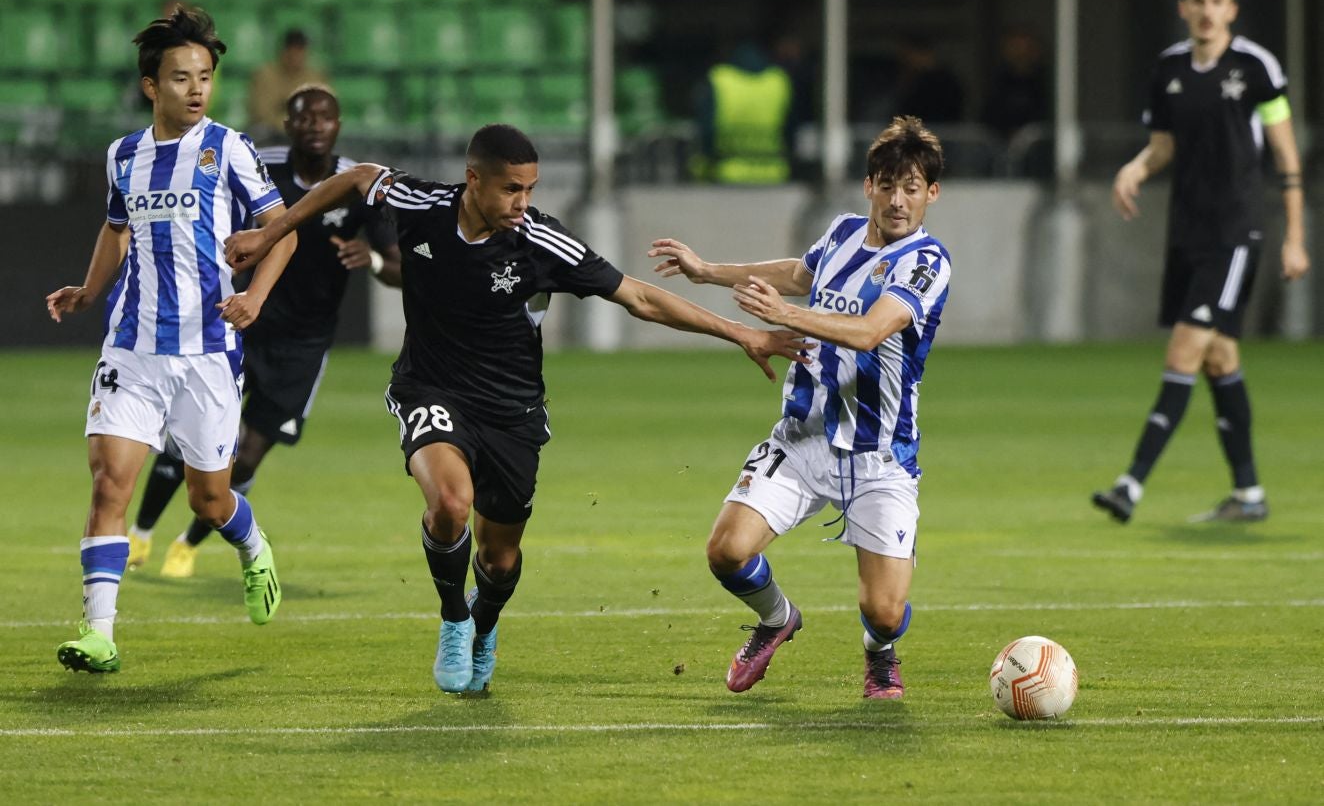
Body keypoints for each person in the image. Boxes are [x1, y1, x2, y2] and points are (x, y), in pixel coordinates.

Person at [223, 123, 810, 694]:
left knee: (499, 558)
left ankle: (483, 622)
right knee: (450, 503)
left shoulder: (541, 240)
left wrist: (743, 333)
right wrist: (272, 233)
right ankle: (455, 620)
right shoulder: (420, 202)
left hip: (512, 410)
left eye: (530, 189)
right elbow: (356, 179)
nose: (523, 202)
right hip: (430, 388)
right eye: (512, 189)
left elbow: (640, 297)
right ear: (473, 180)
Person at [650, 115, 952, 699]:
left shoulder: (926, 262)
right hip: (801, 437)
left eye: (912, 188)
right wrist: (708, 271)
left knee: (884, 611)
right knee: (726, 552)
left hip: (879, 454)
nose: (897, 200)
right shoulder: (840, 232)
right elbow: (797, 273)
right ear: (868, 186)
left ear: (931, 194)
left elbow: (869, 331)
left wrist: (784, 316)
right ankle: (775, 618)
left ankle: (880, 652)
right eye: (887, 185)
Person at [45, 7, 296, 673]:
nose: (195, 89)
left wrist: (254, 298)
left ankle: (251, 545)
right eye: (181, 77)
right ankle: (100, 632)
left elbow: (284, 230)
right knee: (109, 485)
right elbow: (115, 228)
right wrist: (89, 289)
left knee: (208, 500)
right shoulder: (123, 155)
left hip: (208, 355)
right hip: (131, 348)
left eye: (206, 77)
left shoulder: (229, 149)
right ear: (151, 86)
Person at [125, 84, 403, 578]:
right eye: (305, 117)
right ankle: (140, 534)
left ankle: (188, 543)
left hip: (305, 343)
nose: (316, 125)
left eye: (326, 118)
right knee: (189, 439)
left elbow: (400, 267)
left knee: (247, 456)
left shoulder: (357, 183)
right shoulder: (257, 161)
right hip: (240, 321)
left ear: (338, 126)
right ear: (289, 124)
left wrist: (375, 257)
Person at [1091, 0, 1310, 525]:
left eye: (1218, 2)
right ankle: (1250, 494)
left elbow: (1287, 159)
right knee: (1219, 357)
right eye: (1198, 1)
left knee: (1185, 350)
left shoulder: (1257, 68)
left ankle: (1130, 484)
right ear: (1183, 8)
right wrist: (1135, 168)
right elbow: (1162, 146)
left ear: (1232, 10)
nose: (1208, 11)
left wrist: (1294, 239)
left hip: (1236, 232)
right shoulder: (1168, 70)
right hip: (1186, 232)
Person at [693, 41, 794, 184]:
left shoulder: (719, 80)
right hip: (773, 171)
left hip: (727, 170)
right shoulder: (778, 80)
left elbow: (707, 131)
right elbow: (791, 127)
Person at [246, 29, 329, 144]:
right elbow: (262, 114)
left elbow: (324, 113)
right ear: (283, 51)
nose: (296, 56)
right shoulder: (265, 76)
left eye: (300, 50)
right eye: (292, 50)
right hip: (271, 134)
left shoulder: (315, 77)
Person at [980, 27, 1049, 139]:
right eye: (1016, 48)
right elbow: (988, 117)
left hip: (1038, 147)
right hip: (1000, 145)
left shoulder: (1047, 84)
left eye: (1027, 49)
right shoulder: (999, 83)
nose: (1021, 54)